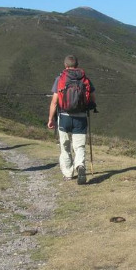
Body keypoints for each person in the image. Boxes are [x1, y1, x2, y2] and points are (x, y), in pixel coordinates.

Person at [47, 55, 96, 185]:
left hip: (64, 117)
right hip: (80, 118)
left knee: (65, 146)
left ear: (65, 65)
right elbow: (92, 98)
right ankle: (80, 166)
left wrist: (50, 119)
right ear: (77, 65)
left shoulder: (60, 79)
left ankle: (68, 174)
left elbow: (54, 102)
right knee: (79, 146)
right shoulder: (85, 79)